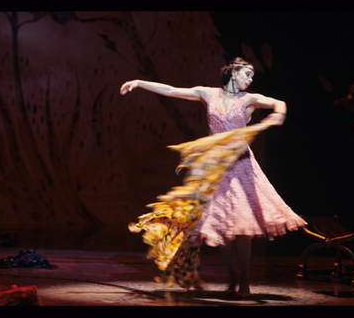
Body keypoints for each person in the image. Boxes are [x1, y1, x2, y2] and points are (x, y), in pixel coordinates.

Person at [120, 57, 305, 298]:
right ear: (233, 73)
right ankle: (232, 277)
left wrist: (278, 115)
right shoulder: (207, 94)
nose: (250, 79)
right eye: (247, 74)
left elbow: (278, 102)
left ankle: (245, 281)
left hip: (242, 168)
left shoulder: (248, 100)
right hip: (216, 171)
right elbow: (171, 90)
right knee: (223, 228)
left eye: (252, 77)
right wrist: (138, 82)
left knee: (242, 227)